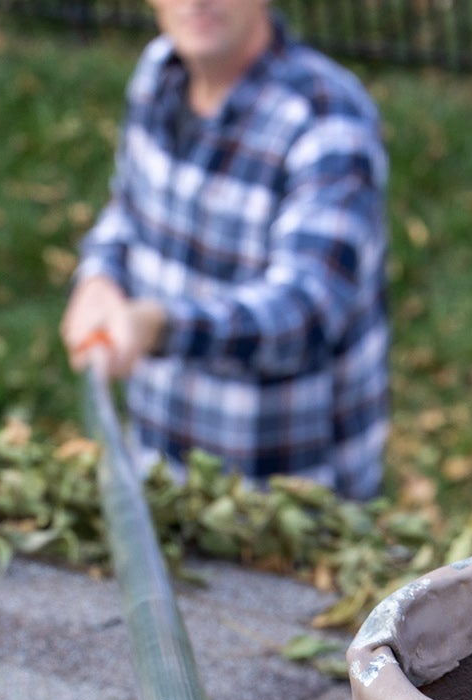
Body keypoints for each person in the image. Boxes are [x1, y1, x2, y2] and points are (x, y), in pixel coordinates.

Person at [61, 0, 389, 502]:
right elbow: (128, 209)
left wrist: (160, 326)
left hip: (292, 504)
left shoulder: (326, 121)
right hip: (161, 476)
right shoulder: (157, 74)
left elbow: (306, 313)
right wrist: (98, 278)